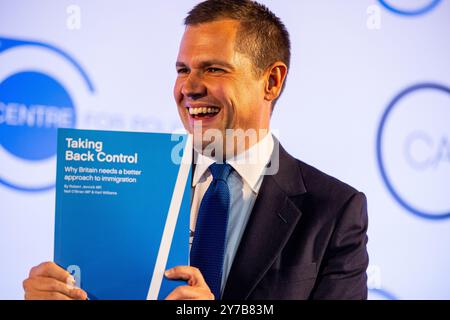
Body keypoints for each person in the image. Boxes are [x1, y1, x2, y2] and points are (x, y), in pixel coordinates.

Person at [23, 0, 369, 300]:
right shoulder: (128, 182)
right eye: (182, 70)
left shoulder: (334, 210)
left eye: (214, 69)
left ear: (272, 81)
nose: (188, 87)